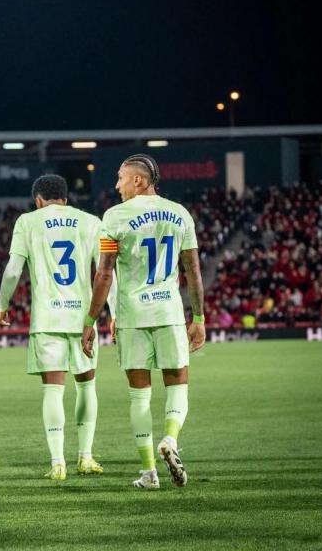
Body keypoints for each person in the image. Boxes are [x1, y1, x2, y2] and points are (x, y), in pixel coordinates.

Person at [82, 153, 206, 489]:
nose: (116, 184)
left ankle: (150, 472)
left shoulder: (115, 217)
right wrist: (198, 317)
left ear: (139, 180)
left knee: (139, 396)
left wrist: (91, 319)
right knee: (178, 384)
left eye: (121, 177)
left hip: (133, 316)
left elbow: (104, 273)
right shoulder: (180, 215)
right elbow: (193, 270)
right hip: (168, 313)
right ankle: (171, 438)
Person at [0, 174, 113, 480]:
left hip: (47, 320)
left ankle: (57, 462)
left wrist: (2, 305)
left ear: (38, 200)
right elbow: (105, 271)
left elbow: (12, 271)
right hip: (83, 319)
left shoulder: (28, 221)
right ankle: (86, 457)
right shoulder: (91, 221)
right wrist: (112, 313)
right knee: (87, 385)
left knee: (53, 389)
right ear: (66, 198)